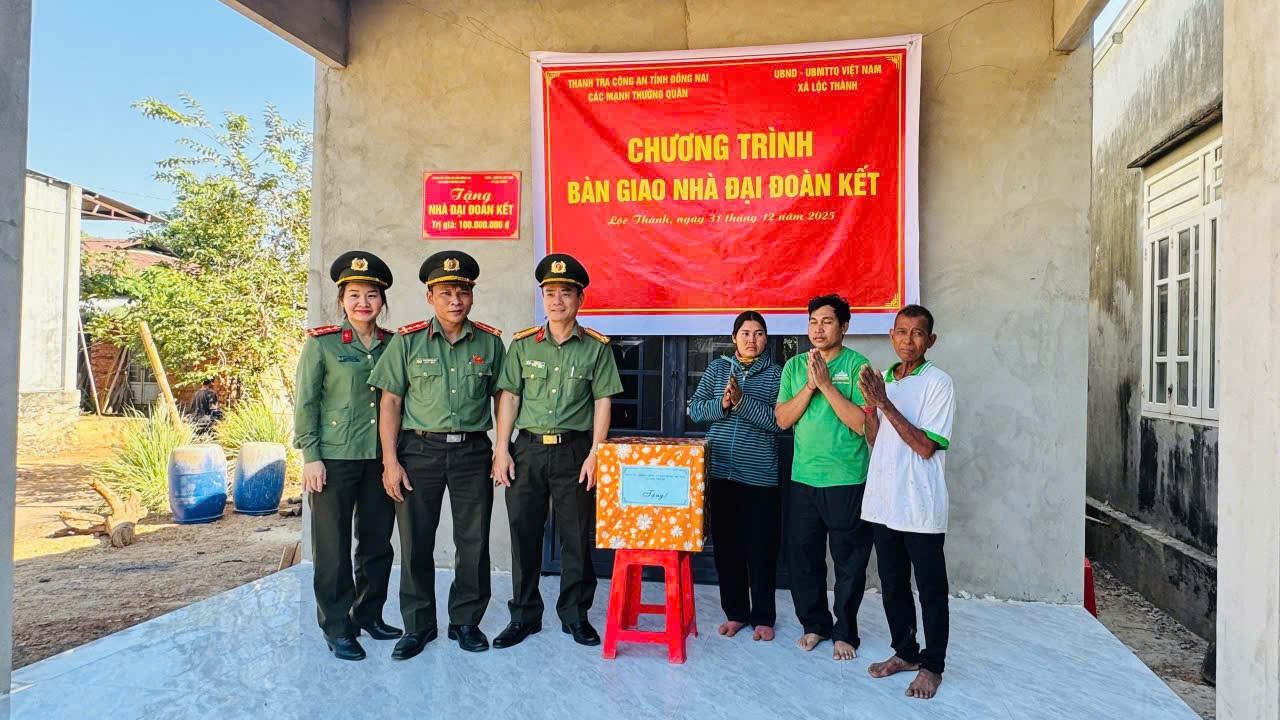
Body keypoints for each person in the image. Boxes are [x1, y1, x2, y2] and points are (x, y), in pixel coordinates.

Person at [368, 251, 505, 659]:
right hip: (418, 452)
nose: (455, 300)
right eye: (445, 293)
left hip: (472, 452)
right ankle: (419, 625)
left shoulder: (490, 343)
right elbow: (390, 402)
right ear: (430, 297)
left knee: (473, 541)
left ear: (472, 295)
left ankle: (466, 622)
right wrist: (390, 462)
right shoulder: (407, 342)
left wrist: (501, 449)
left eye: (462, 292)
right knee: (415, 542)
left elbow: (504, 398)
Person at [490, 253, 623, 649]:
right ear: (542, 298)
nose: (557, 301)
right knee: (523, 535)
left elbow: (602, 401)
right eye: (550, 293)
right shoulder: (522, 344)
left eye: (565, 293)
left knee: (576, 537)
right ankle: (524, 616)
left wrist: (596, 453)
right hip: (527, 451)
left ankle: (575, 615)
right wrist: (501, 449)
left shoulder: (596, 347)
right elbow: (510, 397)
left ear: (580, 299)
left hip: (574, 452)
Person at [294, 251, 400, 662]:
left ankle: (368, 614)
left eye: (371, 295)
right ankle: (337, 627)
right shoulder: (322, 344)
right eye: (354, 295)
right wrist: (311, 455)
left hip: (378, 458)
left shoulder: (393, 344)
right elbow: (306, 402)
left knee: (376, 543)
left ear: (382, 300)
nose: (363, 303)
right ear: (341, 300)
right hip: (333, 460)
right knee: (332, 548)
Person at [859, 304, 956, 700]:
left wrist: (884, 403)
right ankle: (905, 652)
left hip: (920, 504)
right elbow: (876, 440)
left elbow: (925, 446)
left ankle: (933, 666)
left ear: (930, 340)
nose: (908, 340)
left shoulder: (939, 383)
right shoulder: (884, 379)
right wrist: (870, 408)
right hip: (885, 501)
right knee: (893, 584)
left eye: (918, 333)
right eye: (901, 331)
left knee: (930, 590)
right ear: (891, 335)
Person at [774, 294, 873, 662]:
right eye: (813, 321)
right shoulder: (794, 367)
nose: (818, 328)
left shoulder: (859, 366)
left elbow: (863, 425)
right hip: (804, 478)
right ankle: (814, 624)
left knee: (849, 562)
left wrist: (828, 385)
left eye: (827, 321)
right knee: (804, 558)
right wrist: (811, 385)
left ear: (843, 327)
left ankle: (845, 631)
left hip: (847, 479)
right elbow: (783, 419)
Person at [686, 311, 784, 641]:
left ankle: (764, 618)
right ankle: (736, 614)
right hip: (720, 474)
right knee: (727, 550)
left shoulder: (777, 375)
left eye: (758, 333)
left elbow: (778, 422)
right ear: (734, 338)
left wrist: (742, 403)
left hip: (760, 478)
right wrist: (724, 404)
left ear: (766, 339)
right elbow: (695, 410)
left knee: (761, 550)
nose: (751, 340)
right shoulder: (717, 369)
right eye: (745, 333)